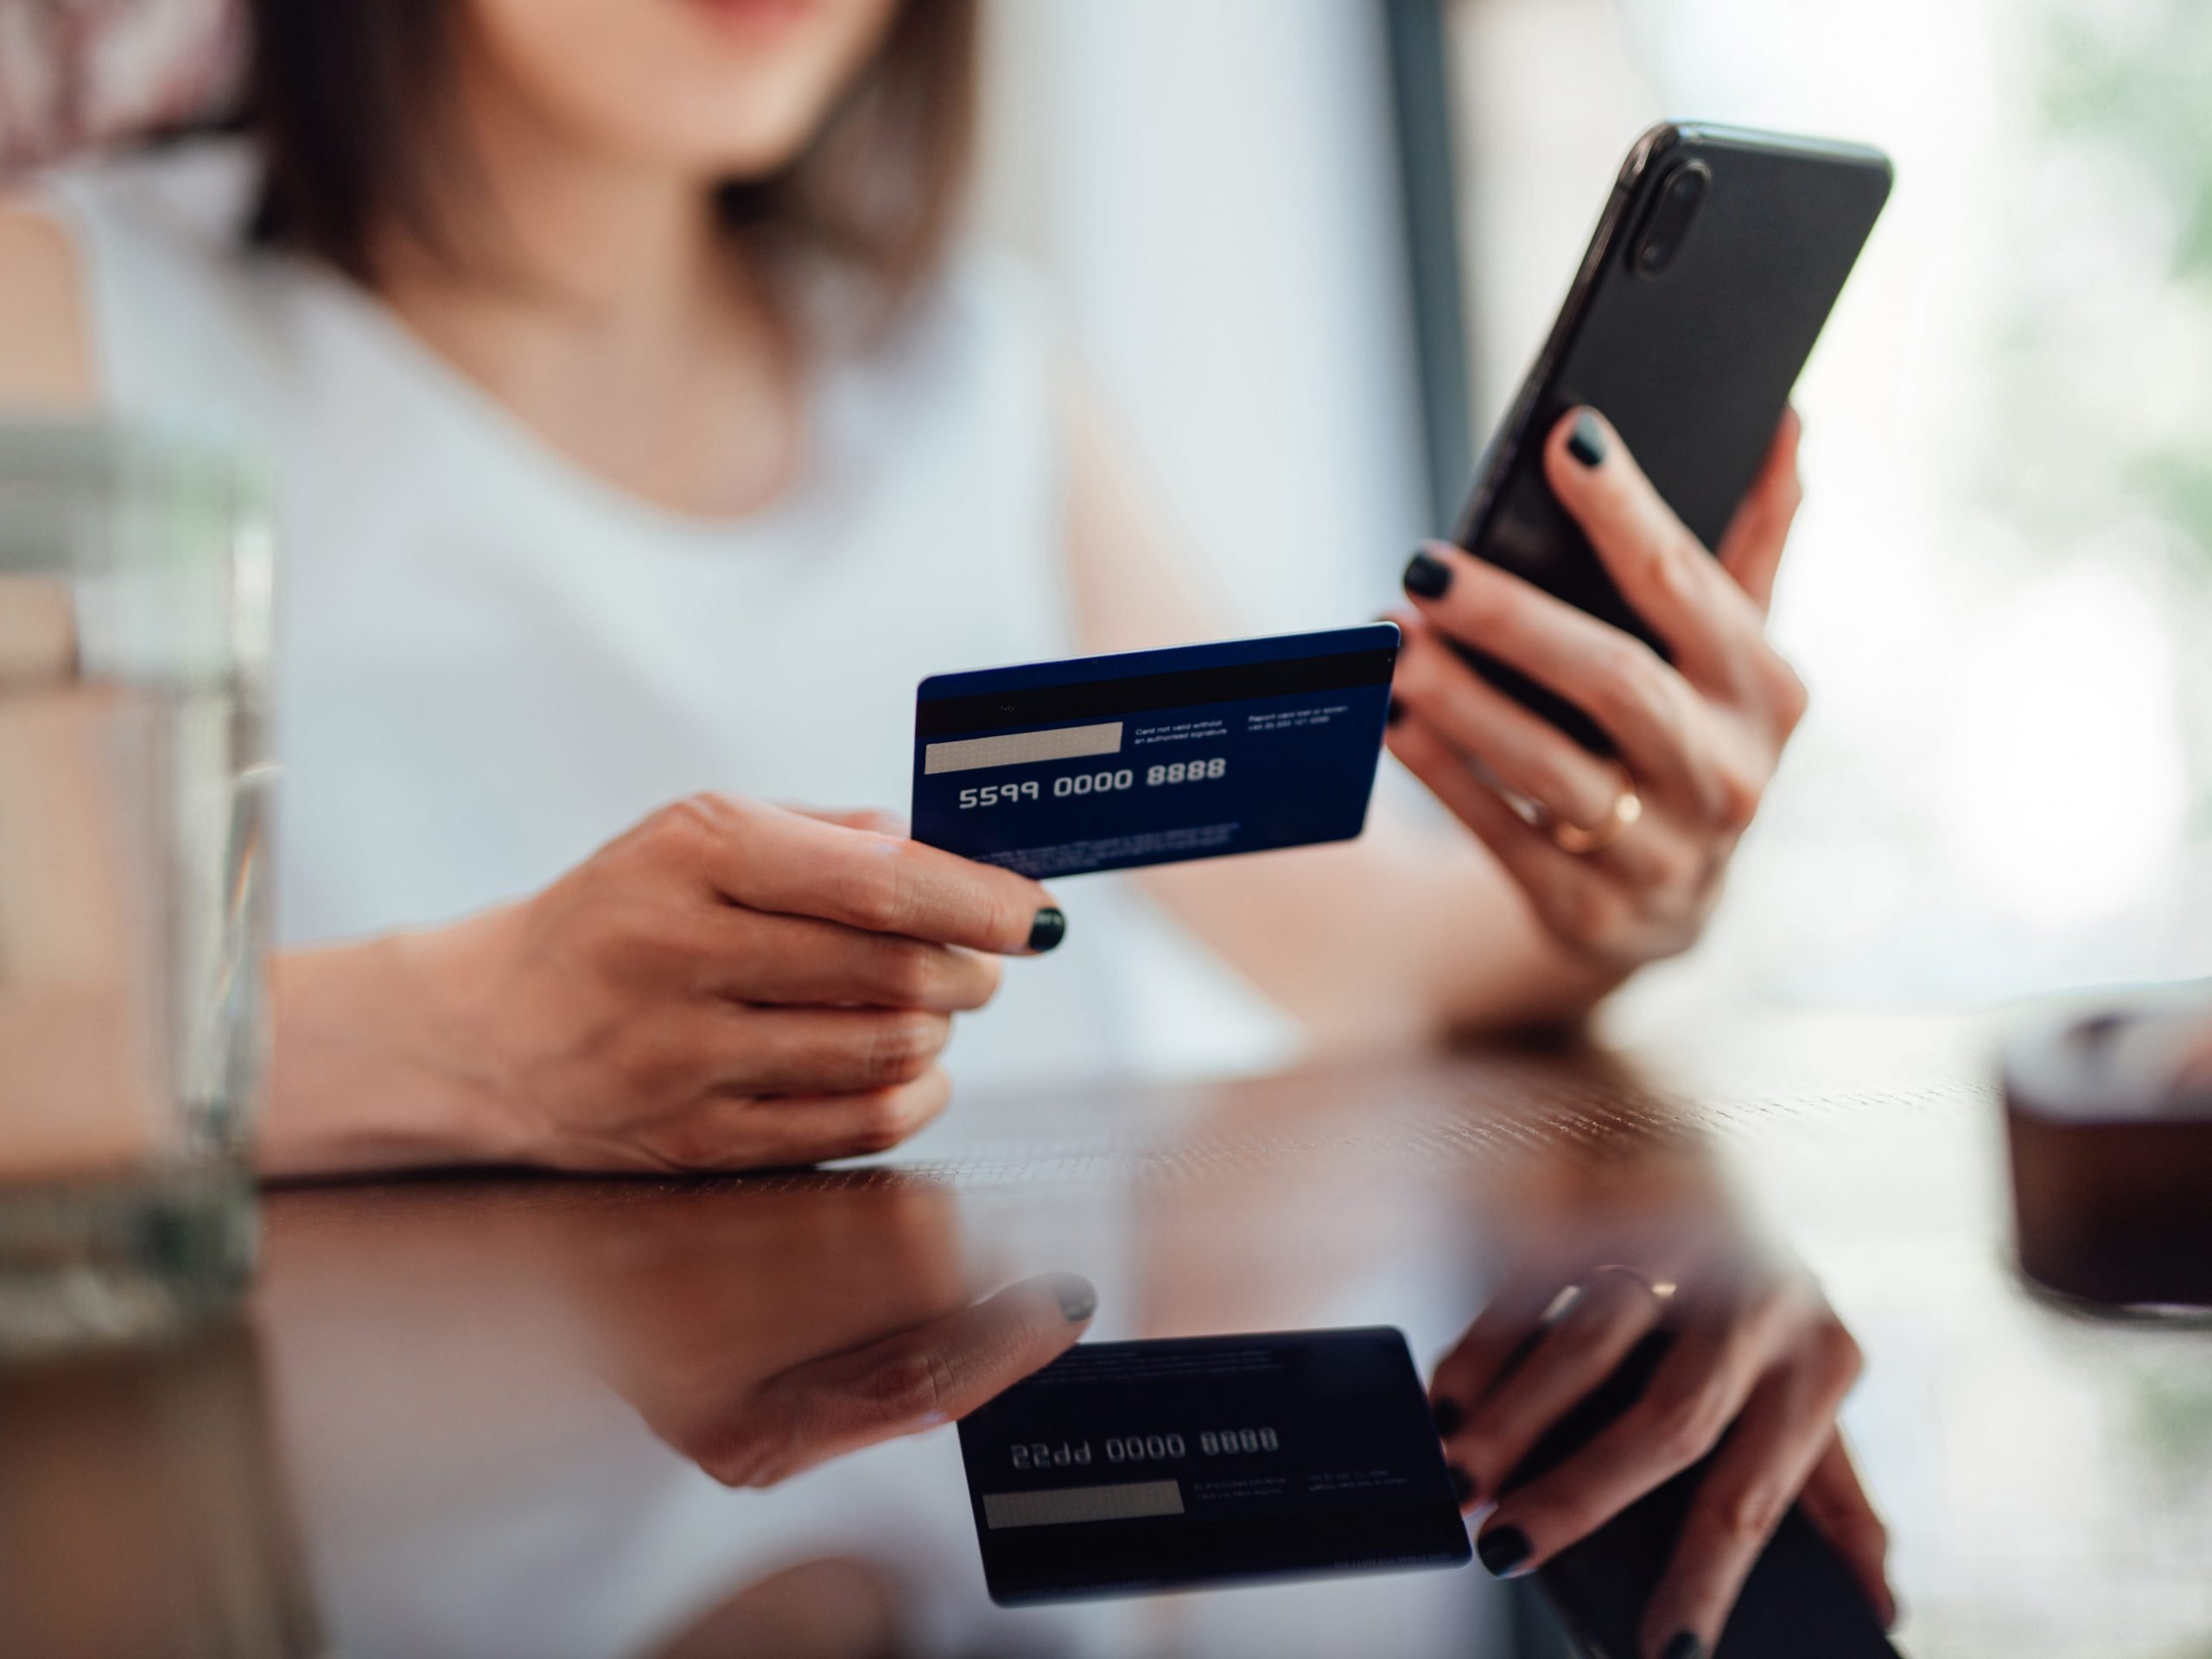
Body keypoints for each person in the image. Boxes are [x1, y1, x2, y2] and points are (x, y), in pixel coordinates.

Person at [0, 0, 1810, 1177]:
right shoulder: (65, 323)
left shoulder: (972, 370)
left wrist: (1613, 893)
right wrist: (468, 1036)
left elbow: (1358, 946)